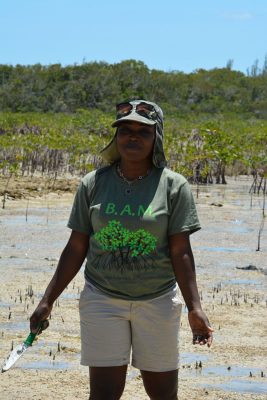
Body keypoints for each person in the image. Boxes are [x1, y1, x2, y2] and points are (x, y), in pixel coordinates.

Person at [30, 99, 213, 400]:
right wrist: (47, 300)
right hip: (102, 299)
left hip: (157, 301)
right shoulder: (93, 183)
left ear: (157, 137)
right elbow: (76, 246)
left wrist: (195, 307)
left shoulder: (173, 186)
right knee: (103, 394)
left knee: (163, 394)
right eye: (125, 130)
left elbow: (181, 251)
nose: (133, 137)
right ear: (116, 137)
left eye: (143, 131)